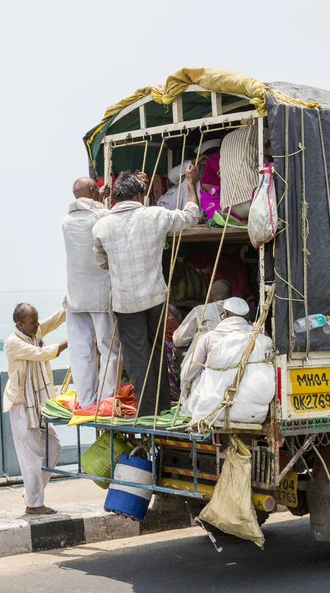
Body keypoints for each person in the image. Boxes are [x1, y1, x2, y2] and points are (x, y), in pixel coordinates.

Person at [93, 167, 201, 416]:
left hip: (125, 302)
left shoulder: (101, 227)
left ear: (117, 195)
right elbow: (192, 216)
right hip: (154, 298)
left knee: (137, 357)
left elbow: (102, 263)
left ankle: (147, 411)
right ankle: (162, 407)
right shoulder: (155, 216)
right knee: (156, 352)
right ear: (140, 195)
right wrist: (190, 183)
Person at [3, 304, 68, 515]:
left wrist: (72, 303)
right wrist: (68, 344)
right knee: (31, 458)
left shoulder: (34, 331)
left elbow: (55, 319)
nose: (38, 325)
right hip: (22, 406)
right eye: (33, 322)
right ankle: (34, 504)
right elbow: (41, 354)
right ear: (20, 324)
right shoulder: (13, 343)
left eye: (37, 320)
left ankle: (32, 492)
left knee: (54, 447)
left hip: (41, 405)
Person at [62, 177, 120, 409]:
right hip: (99, 295)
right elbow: (109, 220)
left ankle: (85, 400)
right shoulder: (102, 216)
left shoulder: (66, 220)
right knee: (109, 350)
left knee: (80, 350)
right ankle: (106, 400)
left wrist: (97, 198)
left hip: (75, 296)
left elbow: (88, 209)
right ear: (95, 191)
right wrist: (101, 200)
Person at [180, 297, 274, 424]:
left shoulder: (210, 338)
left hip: (212, 412)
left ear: (224, 315)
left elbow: (188, 373)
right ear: (247, 318)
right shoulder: (262, 339)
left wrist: (185, 394)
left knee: (196, 373)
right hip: (256, 415)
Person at [173, 279, 232, 363]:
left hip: (208, 362)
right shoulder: (239, 312)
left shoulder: (201, 310)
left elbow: (178, 340)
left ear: (210, 297)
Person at [157, 139, 221, 211]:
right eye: (209, 154)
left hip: (197, 213)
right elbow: (171, 176)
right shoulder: (192, 166)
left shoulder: (221, 170)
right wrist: (195, 162)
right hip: (171, 208)